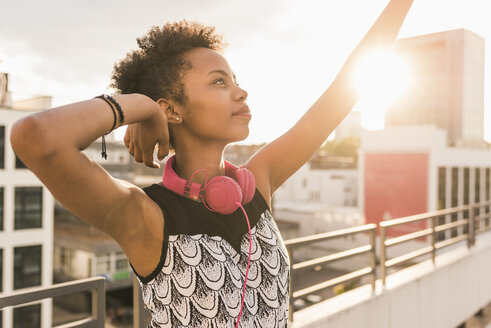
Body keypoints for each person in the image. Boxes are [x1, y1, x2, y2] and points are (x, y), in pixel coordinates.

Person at [10, 0, 413, 326]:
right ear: (173, 109)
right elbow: (35, 138)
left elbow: (343, 93)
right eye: (220, 82)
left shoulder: (257, 182)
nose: (241, 91)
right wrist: (139, 107)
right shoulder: (146, 216)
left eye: (235, 79)